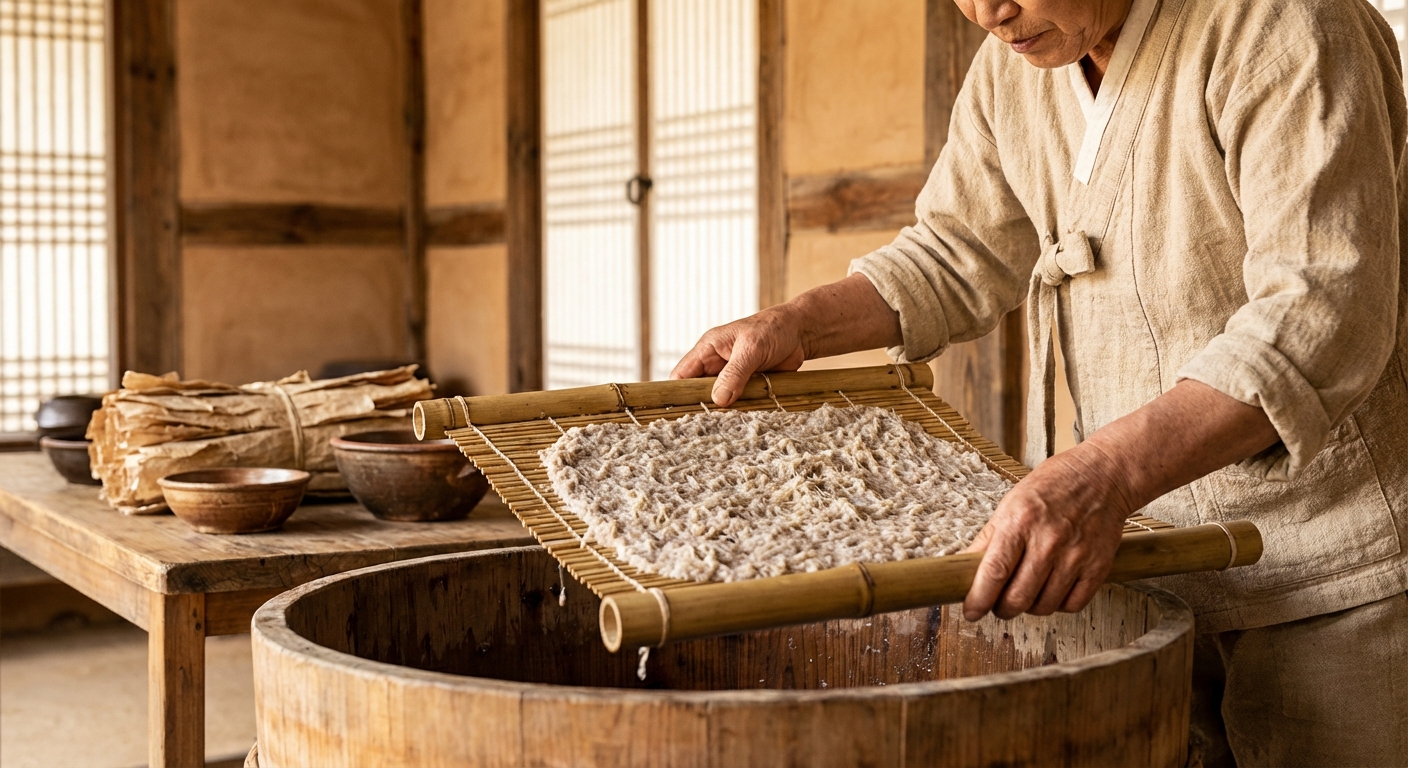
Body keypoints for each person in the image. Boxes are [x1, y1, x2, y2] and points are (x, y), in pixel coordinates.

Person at [670, 0, 1408, 764]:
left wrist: (1104, 475)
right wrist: (799, 323)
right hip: (1138, 561)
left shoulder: (1285, 26)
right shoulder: (1013, 68)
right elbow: (955, 250)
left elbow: (1321, 312)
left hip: (1329, 570)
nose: (990, 13)